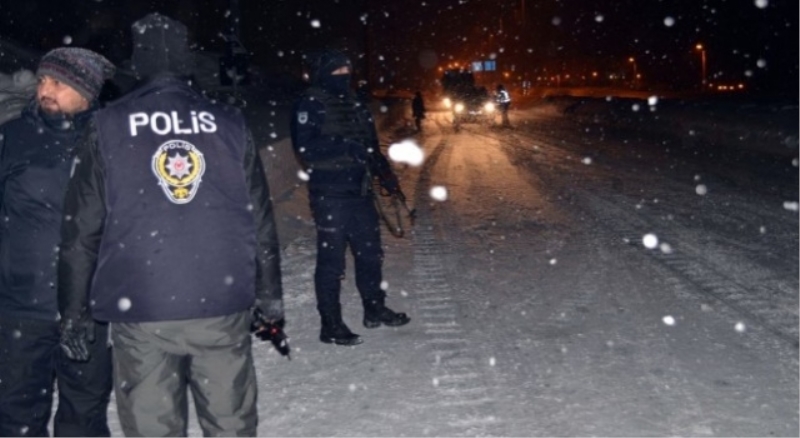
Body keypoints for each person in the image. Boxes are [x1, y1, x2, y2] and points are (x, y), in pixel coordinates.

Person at [56, 13, 283, 437]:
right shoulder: (228, 122)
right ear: (186, 60)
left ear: (138, 62)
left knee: (151, 426)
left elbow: (81, 231)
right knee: (230, 422)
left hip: (143, 305)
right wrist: (269, 292)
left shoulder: (108, 124)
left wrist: (74, 310)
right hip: (219, 300)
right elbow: (258, 216)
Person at [0, 47, 115, 437]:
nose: (46, 90)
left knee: (84, 415)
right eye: (43, 80)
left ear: (87, 93)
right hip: (21, 308)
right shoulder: (12, 137)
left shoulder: (110, 142)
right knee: (16, 418)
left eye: (60, 83)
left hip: (88, 310)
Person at [290, 49, 410, 346]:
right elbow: (305, 147)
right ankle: (331, 324)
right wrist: (343, 146)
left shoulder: (355, 102)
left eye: (347, 70)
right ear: (324, 72)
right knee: (332, 262)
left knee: (370, 254)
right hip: (330, 194)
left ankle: (374, 308)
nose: (344, 76)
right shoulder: (311, 103)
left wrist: (385, 173)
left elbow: (369, 144)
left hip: (361, 191)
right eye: (338, 70)